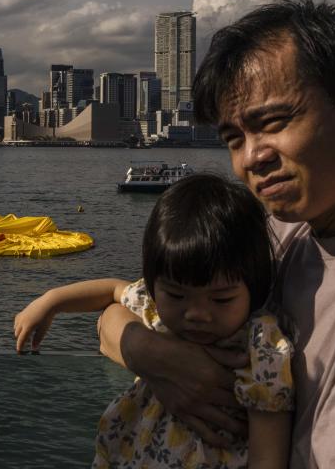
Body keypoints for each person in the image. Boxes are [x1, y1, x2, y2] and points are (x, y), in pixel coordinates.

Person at [96, 0, 335, 467]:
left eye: (273, 122)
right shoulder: (284, 234)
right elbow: (115, 317)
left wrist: (173, 365)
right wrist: (162, 359)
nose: (251, 157)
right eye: (234, 138)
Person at [15, 174, 293, 468]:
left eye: (221, 300)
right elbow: (112, 289)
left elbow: (269, 452)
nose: (196, 313)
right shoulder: (155, 311)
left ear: (255, 288)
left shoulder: (261, 345)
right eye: (176, 295)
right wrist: (50, 302)